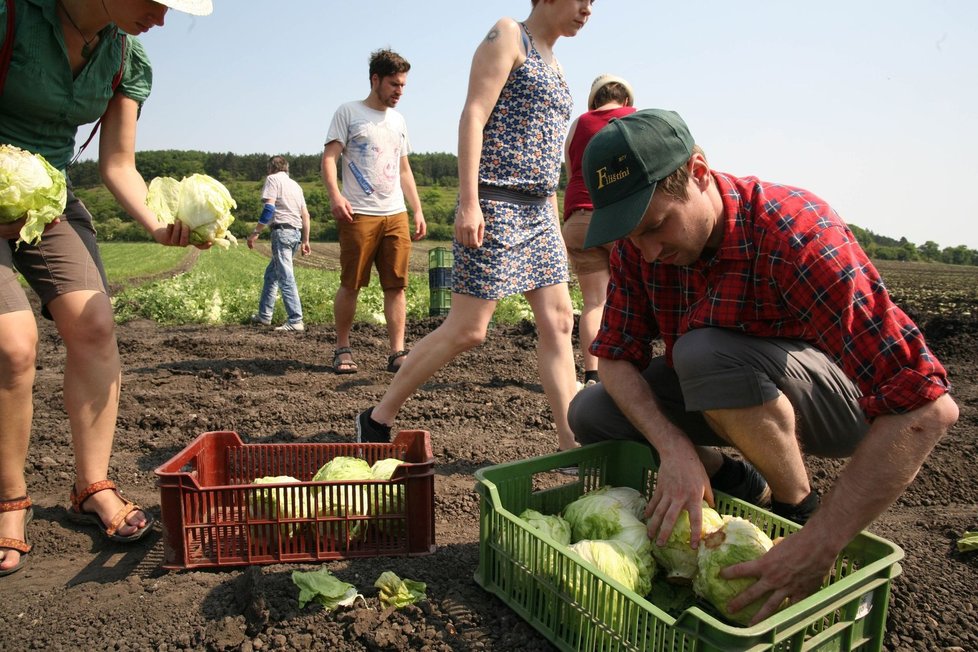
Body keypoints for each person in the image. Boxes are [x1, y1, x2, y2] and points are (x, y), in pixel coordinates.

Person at [567, 108, 959, 623]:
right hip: (727, 383)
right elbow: (614, 359)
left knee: (703, 352)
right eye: (631, 234)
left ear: (699, 173)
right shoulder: (639, 251)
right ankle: (737, 480)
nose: (649, 249)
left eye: (658, 225)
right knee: (593, 411)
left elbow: (928, 406)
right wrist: (674, 447)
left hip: (841, 403)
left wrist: (819, 544)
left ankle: (800, 511)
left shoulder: (795, 233)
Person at [0, 0, 215, 578]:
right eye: (156, 3)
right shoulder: (13, 15)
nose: (165, 18)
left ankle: (91, 485)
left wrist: (159, 223)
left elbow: (118, 163)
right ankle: (8, 501)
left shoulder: (126, 52)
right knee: (12, 345)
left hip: (47, 197)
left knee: (93, 326)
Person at [355, 0, 594, 451]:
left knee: (560, 322)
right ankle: (377, 416)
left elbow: (544, 151)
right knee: (469, 328)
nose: (587, 8)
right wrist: (469, 202)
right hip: (497, 201)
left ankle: (571, 446)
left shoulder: (558, 64)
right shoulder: (508, 35)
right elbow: (474, 115)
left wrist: (554, 218)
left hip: (539, 208)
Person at [321, 48, 426, 375]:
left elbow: (404, 169)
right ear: (375, 79)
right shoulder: (348, 112)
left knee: (396, 286)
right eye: (394, 84)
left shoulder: (399, 120)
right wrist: (336, 196)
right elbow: (328, 159)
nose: (399, 91)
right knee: (351, 283)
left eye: (404, 85)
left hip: (395, 214)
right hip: (359, 214)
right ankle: (342, 348)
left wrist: (417, 210)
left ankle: (397, 353)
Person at [562, 73, 636, 387]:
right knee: (635, 297)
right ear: (627, 100)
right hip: (617, 218)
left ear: (594, 101)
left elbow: (568, 168)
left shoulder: (578, 125)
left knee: (594, 301)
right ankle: (631, 369)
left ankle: (592, 375)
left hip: (577, 220)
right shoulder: (634, 119)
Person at [247, 155, 311, 332]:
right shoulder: (295, 185)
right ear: (286, 168)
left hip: (282, 232)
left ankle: (295, 320)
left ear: (270, 168)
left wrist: (256, 232)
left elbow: (269, 208)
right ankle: (264, 315)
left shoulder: (272, 179)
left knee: (285, 276)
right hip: (296, 233)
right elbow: (305, 215)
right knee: (271, 275)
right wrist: (305, 240)